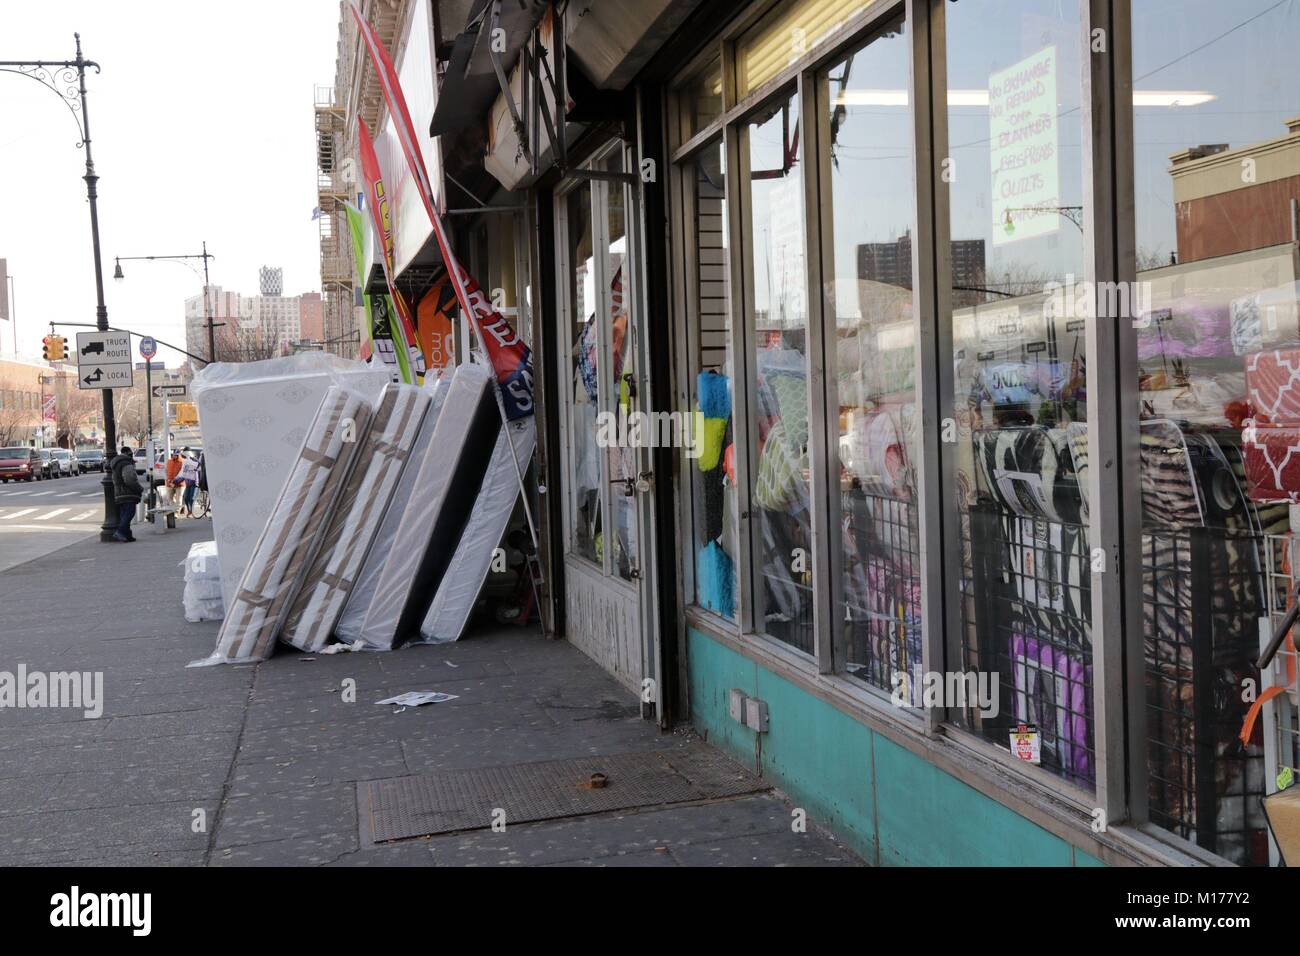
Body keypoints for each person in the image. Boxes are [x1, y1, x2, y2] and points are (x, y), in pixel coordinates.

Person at [108, 445, 143, 542]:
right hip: (127, 492)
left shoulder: (117, 463)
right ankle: (121, 532)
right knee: (129, 513)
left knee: (125, 514)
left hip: (119, 492)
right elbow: (130, 479)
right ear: (128, 453)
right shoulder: (126, 463)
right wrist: (139, 488)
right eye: (131, 453)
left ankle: (127, 535)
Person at [179, 449, 200, 517]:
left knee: (191, 498)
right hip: (187, 483)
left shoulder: (194, 460)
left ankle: (191, 512)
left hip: (195, 483)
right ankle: (189, 511)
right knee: (185, 497)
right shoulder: (185, 462)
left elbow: (198, 467)